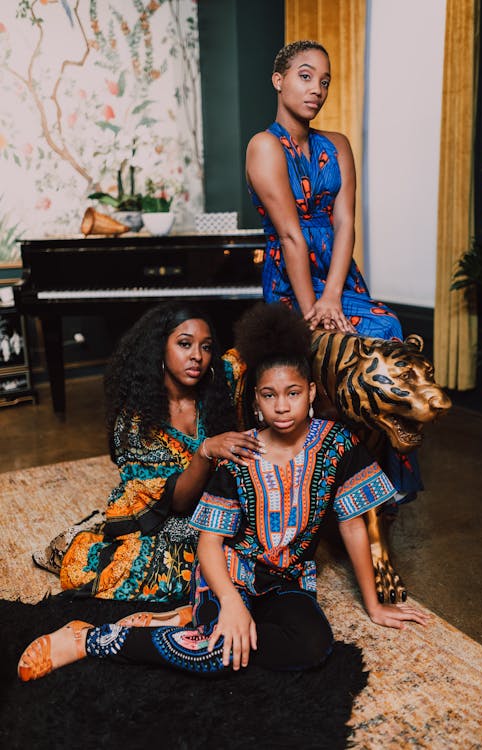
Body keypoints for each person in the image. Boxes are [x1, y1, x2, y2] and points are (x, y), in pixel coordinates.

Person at [18, 303, 429, 682]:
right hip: (223, 563)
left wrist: (374, 606)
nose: (282, 406)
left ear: (311, 395)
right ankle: (93, 639)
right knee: (218, 653)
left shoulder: (338, 443)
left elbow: (354, 527)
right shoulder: (237, 452)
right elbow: (209, 542)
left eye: (293, 394)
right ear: (256, 401)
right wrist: (231, 603)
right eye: (270, 395)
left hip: (288, 580)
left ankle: (189, 624)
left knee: (311, 647)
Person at [246, 39, 421, 499]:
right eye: (305, 76)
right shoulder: (264, 146)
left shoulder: (338, 145)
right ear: (278, 80)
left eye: (324, 81)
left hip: (339, 278)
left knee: (386, 327)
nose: (316, 89)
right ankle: (328, 479)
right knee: (333, 344)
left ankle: (381, 481)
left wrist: (332, 295)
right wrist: (312, 309)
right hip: (291, 280)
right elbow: (290, 237)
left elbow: (345, 224)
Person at [33, 302, 263, 608]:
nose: (197, 356)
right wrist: (206, 451)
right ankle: (70, 546)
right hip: (161, 515)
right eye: (184, 344)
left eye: (206, 347)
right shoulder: (135, 423)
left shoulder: (220, 380)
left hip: (214, 506)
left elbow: (257, 349)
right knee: (170, 571)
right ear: (160, 349)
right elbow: (177, 500)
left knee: (255, 554)